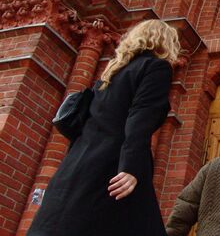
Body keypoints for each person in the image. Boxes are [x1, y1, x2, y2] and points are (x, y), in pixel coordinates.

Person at [27, 19, 181, 236]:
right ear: (165, 42)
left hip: (77, 168)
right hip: (112, 169)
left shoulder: (108, 76)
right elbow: (140, 118)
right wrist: (131, 167)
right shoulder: (156, 67)